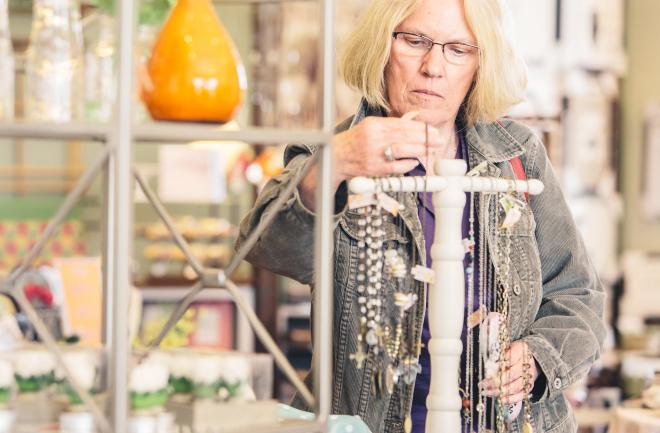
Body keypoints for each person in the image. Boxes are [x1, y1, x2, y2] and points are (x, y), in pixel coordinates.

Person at [237, 0, 606, 432]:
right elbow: (266, 247)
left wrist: (538, 358)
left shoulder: (518, 154)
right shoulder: (335, 150)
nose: (434, 66)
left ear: (479, 64)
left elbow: (580, 295)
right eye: (415, 41)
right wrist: (337, 163)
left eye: (458, 49)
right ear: (381, 47)